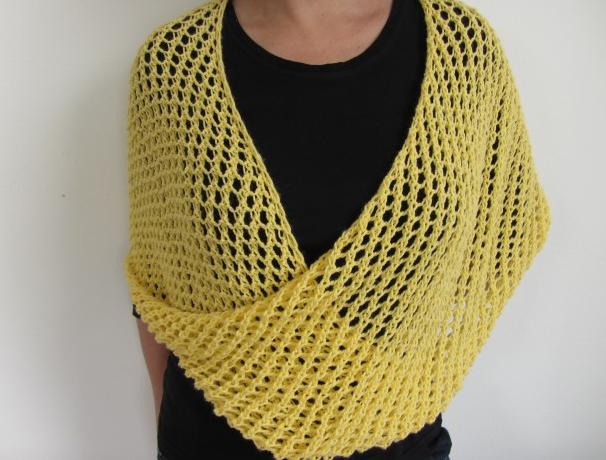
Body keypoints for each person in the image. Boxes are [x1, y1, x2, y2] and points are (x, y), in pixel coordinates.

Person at [127, 0, 540, 458]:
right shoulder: (172, 64)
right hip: (212, 442)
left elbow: (500, 240)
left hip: (397, 440)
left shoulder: (463, 49)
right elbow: (156, 284)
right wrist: (164, 412)